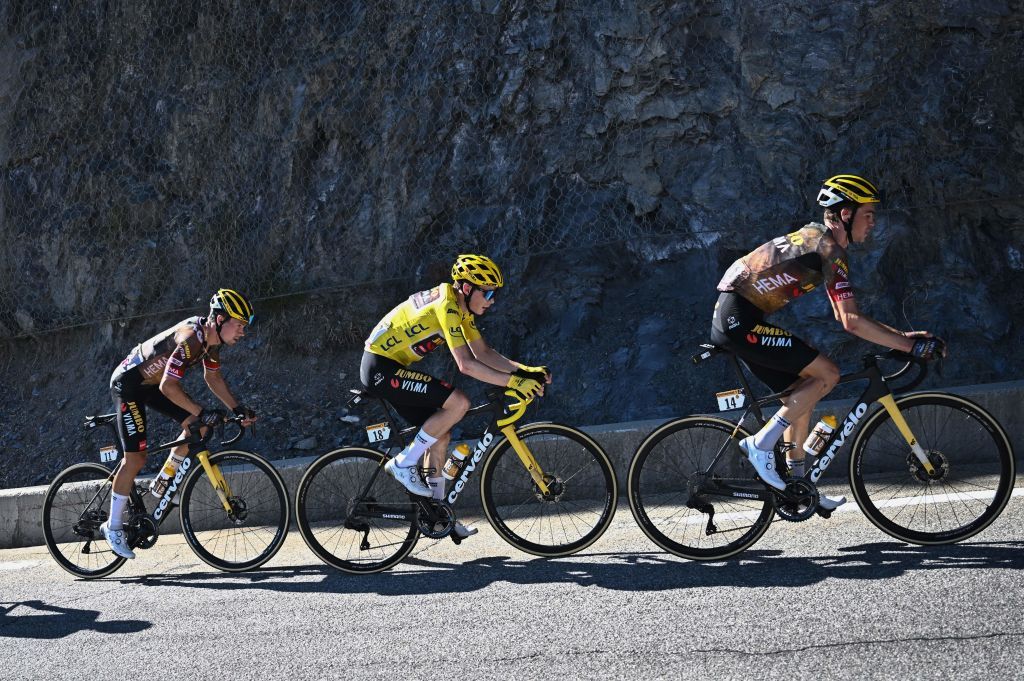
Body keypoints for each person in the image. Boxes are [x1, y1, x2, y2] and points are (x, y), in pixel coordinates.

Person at [711, 174, 946, 508]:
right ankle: (761, 444)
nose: (874, 223)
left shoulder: (820, 241)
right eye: (868, 214)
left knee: (802, 392)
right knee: (828, 374)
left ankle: (796, 487)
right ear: (846, 215)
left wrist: (900, 339)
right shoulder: (829, 249)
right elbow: (849, 321)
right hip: (738, 321)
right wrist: (908, 346)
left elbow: (848, 316)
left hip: (738, 318)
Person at [360, 254, 551, 539]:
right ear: (466, 288)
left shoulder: (460, 308)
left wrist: (527, 371)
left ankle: (438, 514)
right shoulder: (447, 305)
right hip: (380, 367)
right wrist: (515, 382)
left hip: (392, 368)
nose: (492, 299)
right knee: (459, 402)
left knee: (442, 433)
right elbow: (466, 365)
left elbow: (483, 353)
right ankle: (402, 464)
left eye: (494, 293)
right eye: (486, 292)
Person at [100, 289, 258, 558]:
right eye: (239, 325)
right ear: (220, 320)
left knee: (200, 427)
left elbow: (213, 378)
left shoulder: (211, 341)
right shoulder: (190, 339)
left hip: (152, 386)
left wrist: (237, 408)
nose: (242, 332)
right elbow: (168, 385)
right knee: (136, 458)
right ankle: (112, 526)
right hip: (129, 385)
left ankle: (163, 483)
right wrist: (201, 410)